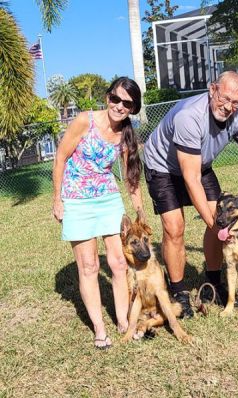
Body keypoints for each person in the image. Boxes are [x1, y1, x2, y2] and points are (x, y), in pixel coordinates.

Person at [143, 71, 238, 318]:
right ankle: (179, 293)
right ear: (212, 89)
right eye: (224, 98)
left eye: (236, 102)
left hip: (200, 164)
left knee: (219, 219)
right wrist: (217, 226)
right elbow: (190, 178)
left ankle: (213, 282)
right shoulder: (190, 117)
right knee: (175, 228)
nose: (228, 107)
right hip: (163, 167)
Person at [52, 77, 144, 349]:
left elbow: (131, 176)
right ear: (108, 98)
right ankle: (100, 329)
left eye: (126, 103)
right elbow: (60, 157)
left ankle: (124, 320)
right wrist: (57, 199)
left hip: (108, 199)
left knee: (117, 263)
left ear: (133, 108)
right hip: (77, 199)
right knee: (90, 266)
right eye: (115, 99)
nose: (119, 106)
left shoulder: (126, 134)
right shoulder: (85, 120)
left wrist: (139, 211)